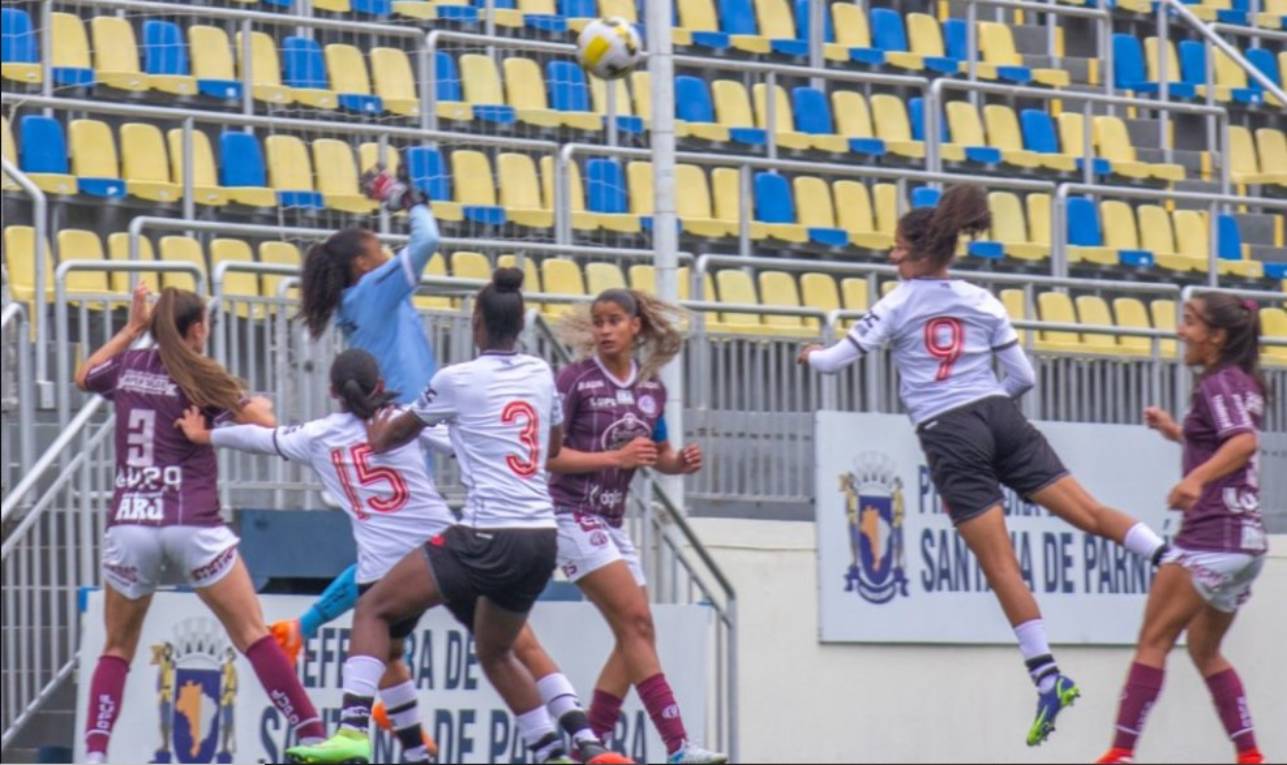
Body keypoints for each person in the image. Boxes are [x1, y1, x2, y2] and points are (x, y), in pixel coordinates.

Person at [797, 185, 1170, 747]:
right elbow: (1025, 379)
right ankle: (1169, 557)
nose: (891, 256)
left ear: (919, 251)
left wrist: (807, 355)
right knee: (1090, 513)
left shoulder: (895, 303)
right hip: (1000, 415)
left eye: (897, 248)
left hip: (950, 432)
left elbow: (832, 364)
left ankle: (1047, 676)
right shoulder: (982, 299)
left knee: (1001, 566)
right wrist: (988, 404)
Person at [285, 268, 570, 765]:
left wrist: (379, 435)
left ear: (476, 324)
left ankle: (353, 730)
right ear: (521, 323)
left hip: (484, 535)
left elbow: (398, 433)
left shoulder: (455, 379)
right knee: (500, 651)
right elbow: (553, 449)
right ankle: (565, 746)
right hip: (544, 537)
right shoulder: (541, 374)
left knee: (374, 608)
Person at [74, 284, 326, 764]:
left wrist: (130, 330)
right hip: (192, 523)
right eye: (205, 324)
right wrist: (228, 416)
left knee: (118, 647)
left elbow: (84, 375)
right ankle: (312, 731)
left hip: (131, 522)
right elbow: (263, 420)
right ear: (195, 330)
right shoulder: (202, 376)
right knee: (252, 633)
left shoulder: (129, 368)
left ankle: (95, 752)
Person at [176, 348, 456, 763]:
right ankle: (556, 735)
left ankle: (386, 740)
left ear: (332, 392)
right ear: (379, 385)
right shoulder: (402, 420)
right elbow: (456, 445)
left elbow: (259, 439)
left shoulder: (317, 436)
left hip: (384, 568)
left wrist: (205, 436)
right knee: (497, 643)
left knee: (376, 644)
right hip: (443, 549)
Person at [271, 169, 441, 742]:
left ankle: (376, 687)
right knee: (409, 564)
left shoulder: (362, 296)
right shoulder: (372, 290)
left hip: (396, 429)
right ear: (367, 266)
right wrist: (410, 201)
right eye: (380, 249)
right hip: (403, 431)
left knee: (392, 565)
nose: (390, 254)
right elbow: (428, 242)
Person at [544, 289, 726, 764]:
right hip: (570, 513)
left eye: (613, 321)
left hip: (611, 519)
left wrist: (678, 463)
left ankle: (592, 744)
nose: (604, 330)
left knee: (637, 635)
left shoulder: (652, 389)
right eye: (598, 322)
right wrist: (615, 457)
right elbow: (549, 455)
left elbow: (657, 453)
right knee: (638, 625)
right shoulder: (575, 381)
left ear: (635, 327)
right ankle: (678, 745)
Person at [1097, 293, 1268, 765]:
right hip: (1248, 545)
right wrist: (1177, 431)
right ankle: (1250, 754)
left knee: (1153, 641)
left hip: (1212, 536)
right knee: (1204, 648)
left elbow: (1242, 442)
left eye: (1190, 322)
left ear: (1217, 336)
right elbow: (1223, 438)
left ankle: (1120, 753)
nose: (1180, 331)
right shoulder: (1244, 382)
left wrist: (1193, 479)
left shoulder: (1218, 383)